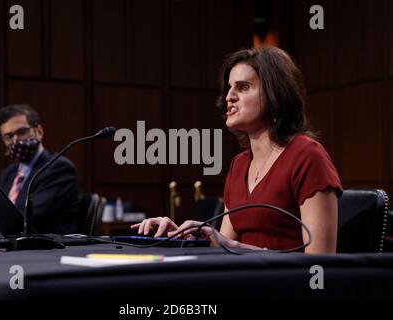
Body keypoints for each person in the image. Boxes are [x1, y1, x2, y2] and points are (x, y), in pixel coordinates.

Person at [132, 46, 343, 254]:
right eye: (230, 88)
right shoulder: (239, 165)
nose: (229, 97)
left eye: (243, 87)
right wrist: (180, 236)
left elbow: (319, 261)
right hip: (242, 281)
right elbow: (224, 247)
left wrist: (232, 246)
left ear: (275, 95)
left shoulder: (307, 156)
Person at [0, 104, 80, 234]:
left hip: (47, 248)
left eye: (21, 132)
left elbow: (31, 218)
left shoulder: (59, 168)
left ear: (39, 131)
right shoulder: (9, 173)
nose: (16, 140)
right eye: (9, 136)